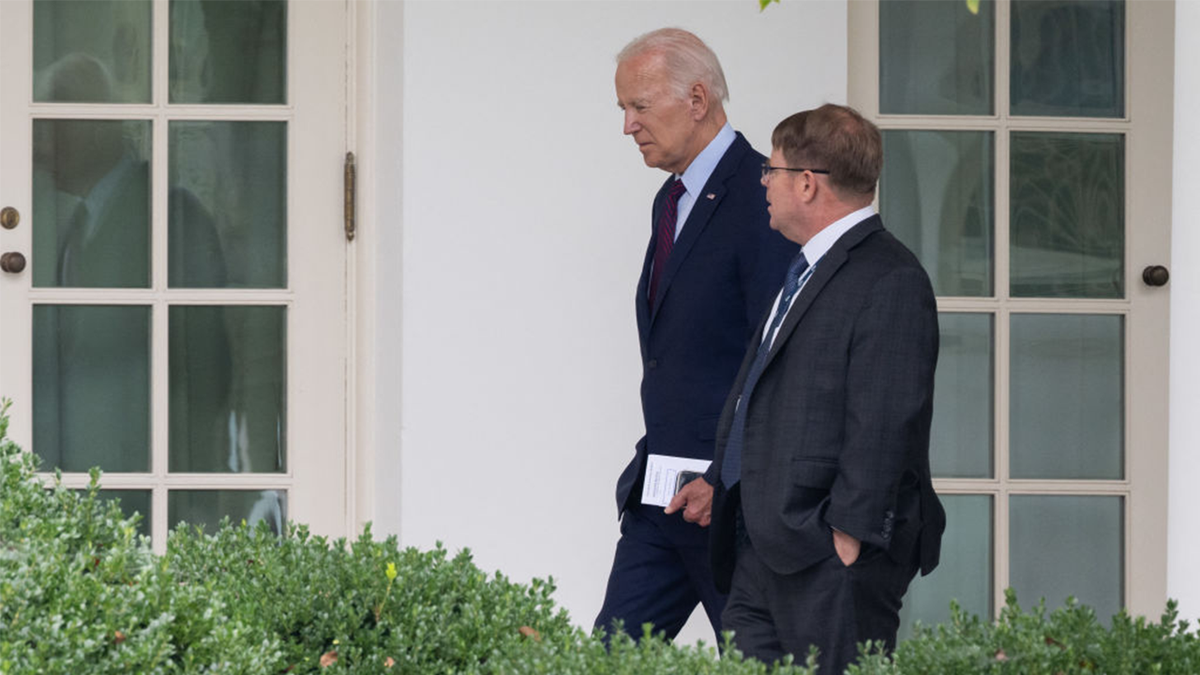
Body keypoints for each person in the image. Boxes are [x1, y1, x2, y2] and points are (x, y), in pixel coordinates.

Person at [706, 104, 946, 674]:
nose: (764, 182)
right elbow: (770, 397)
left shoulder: (890, 278)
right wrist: (723, 482)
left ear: (808, 183)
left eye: (773, 170)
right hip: (762, 545)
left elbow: (885, 420)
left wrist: (847, 538)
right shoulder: (805, 268)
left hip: (826, 556)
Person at [595, 28, 798, 641]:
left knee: (762, 662)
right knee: (608, 655)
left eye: (640, 106)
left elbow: (778, 359)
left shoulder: (766, 196)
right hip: (660, 500)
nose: (628, 126)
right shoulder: (671, 198)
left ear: (698, 99)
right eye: (624, 109)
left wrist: (726, 475)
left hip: (728, 508)